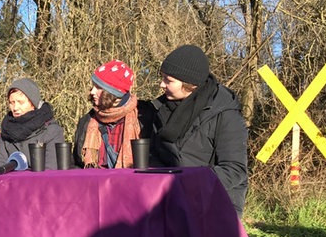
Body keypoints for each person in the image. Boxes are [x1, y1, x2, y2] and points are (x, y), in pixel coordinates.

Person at [143, 44, 248, 217]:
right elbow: (155, 155)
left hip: (214, 205)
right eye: (162, 78)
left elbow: (234, 170)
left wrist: (187, 183)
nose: (161, 85)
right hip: (170, 203)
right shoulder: (160, 109)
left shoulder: (225, 112)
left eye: (168, 80)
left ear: (189, 84)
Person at [73, 60, 141, 168]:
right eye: (93, 86)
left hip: (131, 183)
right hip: (96, 183)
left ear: (114, 92)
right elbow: (77, 164)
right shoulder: (86, 121)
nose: (92, 91)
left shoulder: (143, 119)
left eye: (99, 87)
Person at [0, 78, 65, 170]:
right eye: (12, 103)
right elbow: (0, 169)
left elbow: (51, 172)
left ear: (33, 103)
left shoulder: (52, 131)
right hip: (11, 184)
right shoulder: (6, 132)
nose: (15, 108)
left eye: (20, 102)